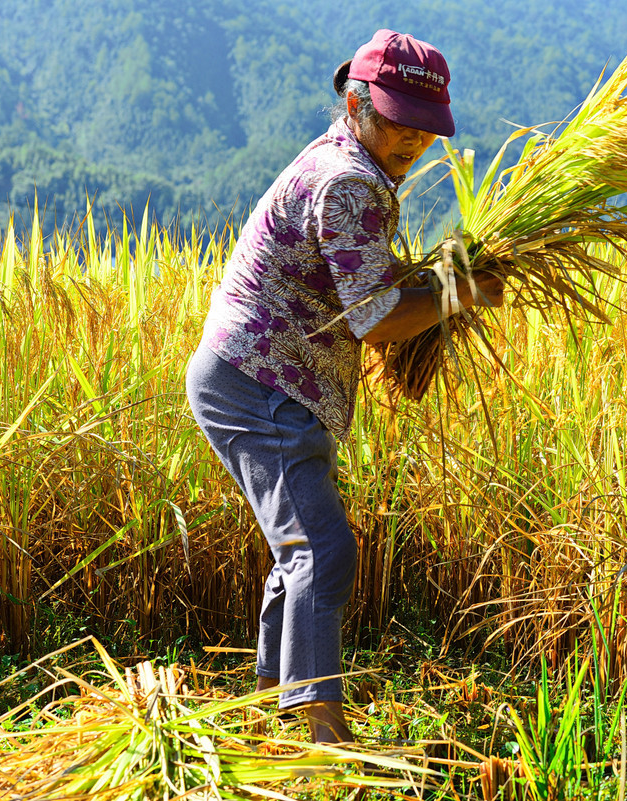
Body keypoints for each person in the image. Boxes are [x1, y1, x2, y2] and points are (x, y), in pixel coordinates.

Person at [184, 29, 504, 744]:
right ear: (354, 102)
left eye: (424, 128)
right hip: (257, 383)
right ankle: (319, 740)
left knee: (296, 550)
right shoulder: (349, 181)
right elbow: (376, 318)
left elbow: (368, 276)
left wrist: (436, 272)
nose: (411, 140)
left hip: (269, 383)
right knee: (322, 550)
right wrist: (461, 289)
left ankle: (271, 717)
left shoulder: (354, 165)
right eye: (395, 120)